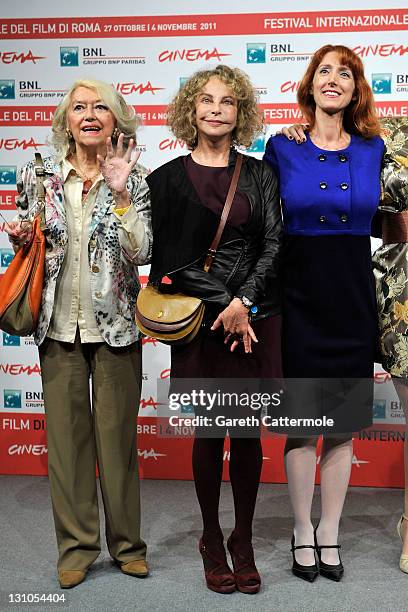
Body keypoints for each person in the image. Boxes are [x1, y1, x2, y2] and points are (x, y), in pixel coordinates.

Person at [5, 79, 152, 589]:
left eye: (101, 109)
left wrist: (120, 193)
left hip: (116, 328)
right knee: (67, 448)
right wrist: (21, 232)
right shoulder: (37, 172)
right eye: (79, 108)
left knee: (118, 446)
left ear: (117, 120)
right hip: (56, 325)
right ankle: (76, 548)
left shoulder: (134, 174)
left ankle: (128, 546)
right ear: (66, 119)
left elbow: (143, 250)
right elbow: (28, 230)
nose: (90, 115)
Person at [146, 65, 282, 594]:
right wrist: (227, 302)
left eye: (227, 101)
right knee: (208, 435)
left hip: (254, 320)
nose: (216, 108)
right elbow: (168, 262)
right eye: (206, 99)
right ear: (190, 110)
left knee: (247, 436)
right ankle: (209, 535)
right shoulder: (166, 179)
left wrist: (245, 301)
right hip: (202, 322)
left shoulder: (260, 175)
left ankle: (242, 540)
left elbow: (274, 243)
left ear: (240, 112)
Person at [263, 45, 383, 582]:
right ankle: (300, 529)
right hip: (300, 298)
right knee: (303, 423)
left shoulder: (375, 148)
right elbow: (264, 227)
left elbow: (385, 220)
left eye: (346, 73)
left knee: (341, 426)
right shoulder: (281, 148)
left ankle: (330, 529)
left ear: (356, 89)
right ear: (310, 86)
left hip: (353, 297)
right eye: (324, 71)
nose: (334, 79)